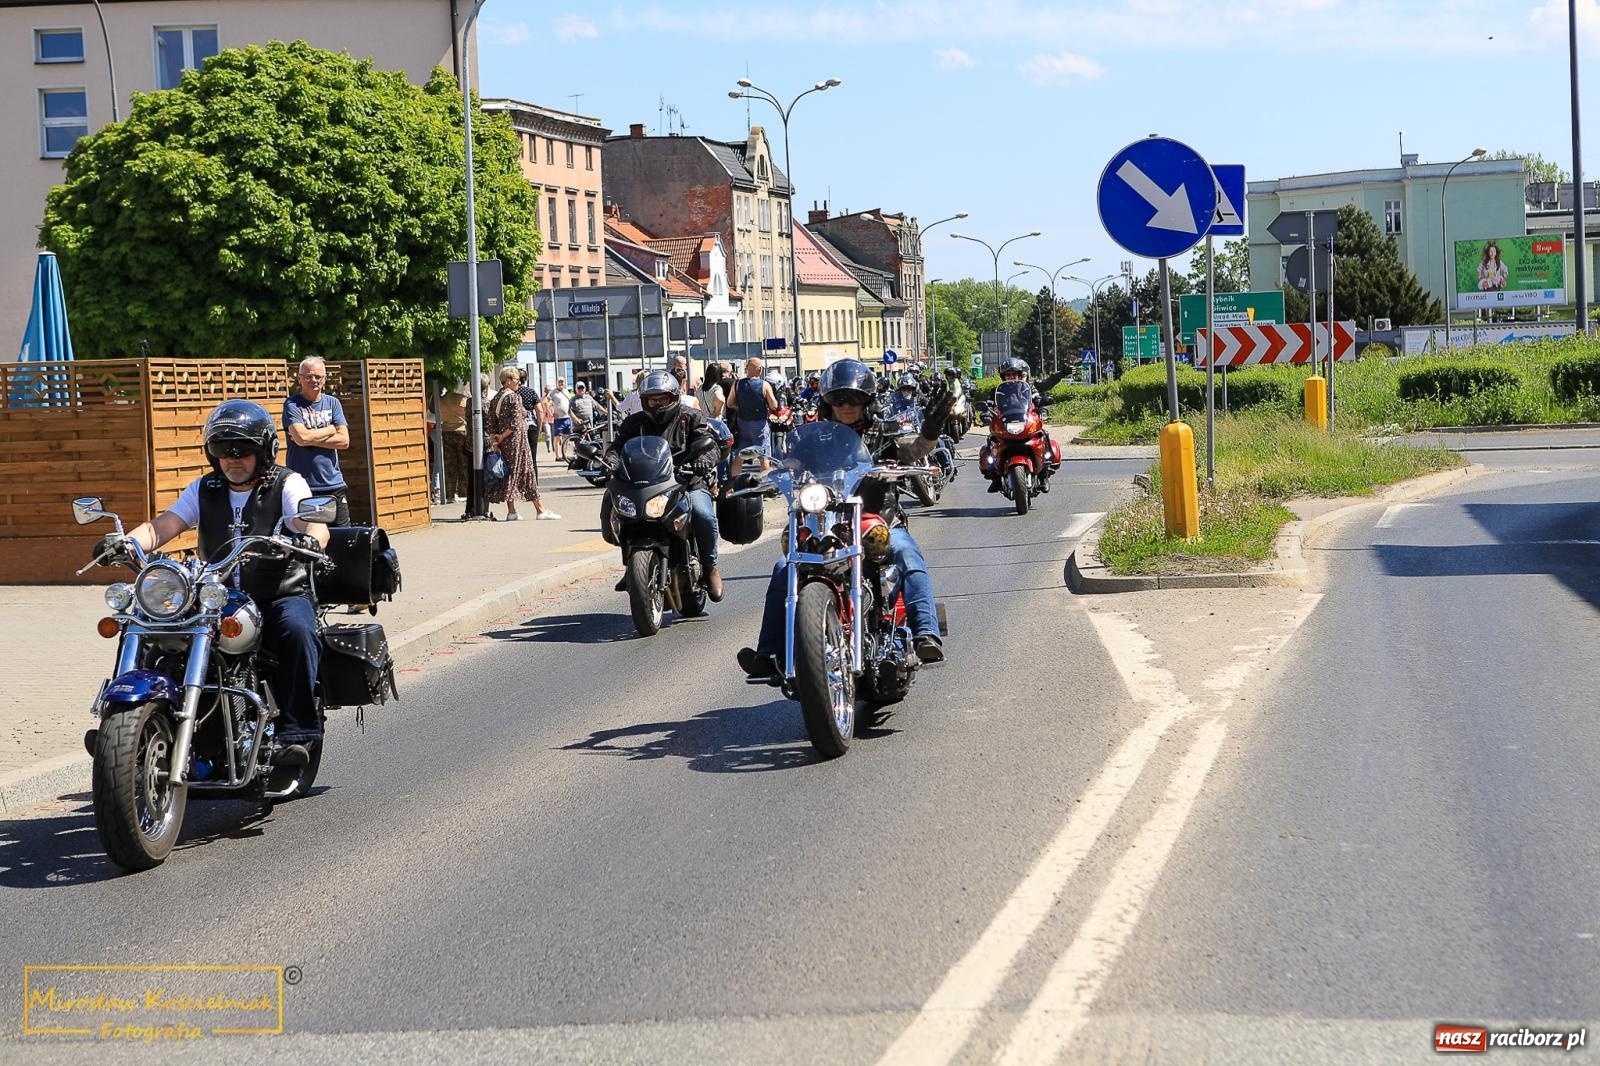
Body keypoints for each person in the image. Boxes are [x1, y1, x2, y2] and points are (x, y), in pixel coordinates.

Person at [93, 400, 330, 766]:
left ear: (264, 451)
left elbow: (309, 520)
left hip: (276, 592)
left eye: (243, 450)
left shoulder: (287, 482)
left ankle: (296, 732)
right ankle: (123, 722)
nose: (233, 458)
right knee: (144, 624)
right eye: (223, 450)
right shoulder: (206, 488)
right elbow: (164, 525)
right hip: (213, 597)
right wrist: (127, 542)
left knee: (297, 629)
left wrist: (312, 537)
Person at [737, 359, 953, 679]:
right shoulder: (811, 436)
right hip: (824, 521)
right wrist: (758, 472)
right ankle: (771, 652)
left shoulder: (884, 431)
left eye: (853, 398)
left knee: (906, 551)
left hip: (876, 519)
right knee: (785, 566)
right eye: (838, 399)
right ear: (828, 403)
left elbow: (915, 450)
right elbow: (786, 461)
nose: (846, 405)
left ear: (866, 400)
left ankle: (926, 633)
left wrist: (931, 430)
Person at [603, 371, 724, 601]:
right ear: (644, 401)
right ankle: (631, 566)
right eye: (652, 400)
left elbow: (710, 446)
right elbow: (617, 448)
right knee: (615, 505)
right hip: (646, 485)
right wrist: (609, 462)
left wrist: (702, 461)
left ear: (674, 397)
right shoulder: (634, 423)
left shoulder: (691, 417)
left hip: (687, 482)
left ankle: (710, 567)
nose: (657, 404)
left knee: (703, 514)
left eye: (663, 399)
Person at [283, 357, 351, 526]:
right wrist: (330, 430)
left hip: (333, 483)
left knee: (342, 538)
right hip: (303, 486)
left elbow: (344, 441)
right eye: (308, 376)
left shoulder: (333, 403)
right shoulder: (292, 404)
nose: (313, 380)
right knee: (308, 539)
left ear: (324, 379)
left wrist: (308, 438)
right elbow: (301, 438)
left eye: (317, 376)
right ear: (299, 379)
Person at [486, 365, 558, 521]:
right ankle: (540, 510)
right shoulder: (514, 397)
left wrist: (497, 439)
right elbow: (516, 423)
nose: (519, 382)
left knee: (509, 474)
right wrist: (503, 436)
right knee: (527, 473)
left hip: (504, 443)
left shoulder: (497, 398)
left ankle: (512, 511)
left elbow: (491, 422)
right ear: (508, 380)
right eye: (517, 379)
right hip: (517, 442)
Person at [732, 357, 780, 451]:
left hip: (742, 423)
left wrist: (741, 406)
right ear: (760, 369)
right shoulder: (765, 385)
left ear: (747, 369)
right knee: (764, 455)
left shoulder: (737, 384)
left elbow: (730, 403)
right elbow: (774, 406)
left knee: (740, 455)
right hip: (760, 423)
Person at [515, 369, 544, 478]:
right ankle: (534, 484)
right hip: (531, 426)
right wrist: (539, 428)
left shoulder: (512, 392)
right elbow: (540, 411)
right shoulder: (531, 392)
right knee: (532, 458)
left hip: (516, 427)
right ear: (526, 379)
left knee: (518, 458)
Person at [547, 378, 573, 461]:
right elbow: (546, 403)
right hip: (558, 419)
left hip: (567, 417)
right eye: (559, 382)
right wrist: (551, 413)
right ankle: (557, 456)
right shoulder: (553, 392)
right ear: (556, 383)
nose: (561, 383)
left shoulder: (566, 391)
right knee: (557, 437)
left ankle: (564, 455)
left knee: (566, 437)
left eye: (562, 382)